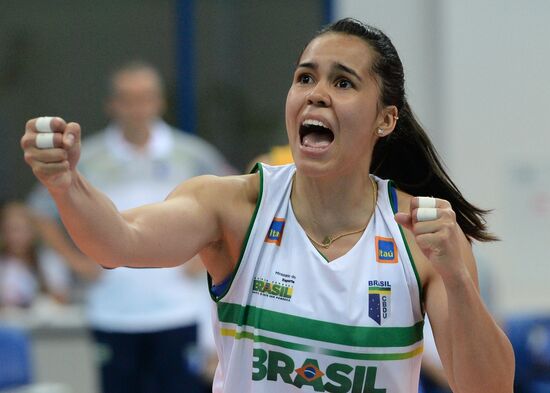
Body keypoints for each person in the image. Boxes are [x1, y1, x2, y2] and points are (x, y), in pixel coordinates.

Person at [20, 18, 515, 393]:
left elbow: (489, 387)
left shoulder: (419, 234)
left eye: (342, 83)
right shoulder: (233, 205)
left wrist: (458, 280)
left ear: (385, 120)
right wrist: (66, 184)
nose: (316, 95)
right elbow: (118, 242)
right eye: (305, 78)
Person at [27, 61, 234, 393]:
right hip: (113, 310)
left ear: (160, 102)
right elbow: (38, 210)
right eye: (128, 99)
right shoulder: (87, 158)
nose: (138, 108)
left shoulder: (192, 155)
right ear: (112, 104)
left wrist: (206, 259)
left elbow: (235, 205)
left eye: (146, 97)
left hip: (177, 309)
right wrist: (77, 261)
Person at [0, 201, 71, 308]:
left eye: (21, 230)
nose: (15, 236)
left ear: (33, 231)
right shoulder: (4, 263)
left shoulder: (48, 259)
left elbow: (62, 297)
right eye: (10, 230)